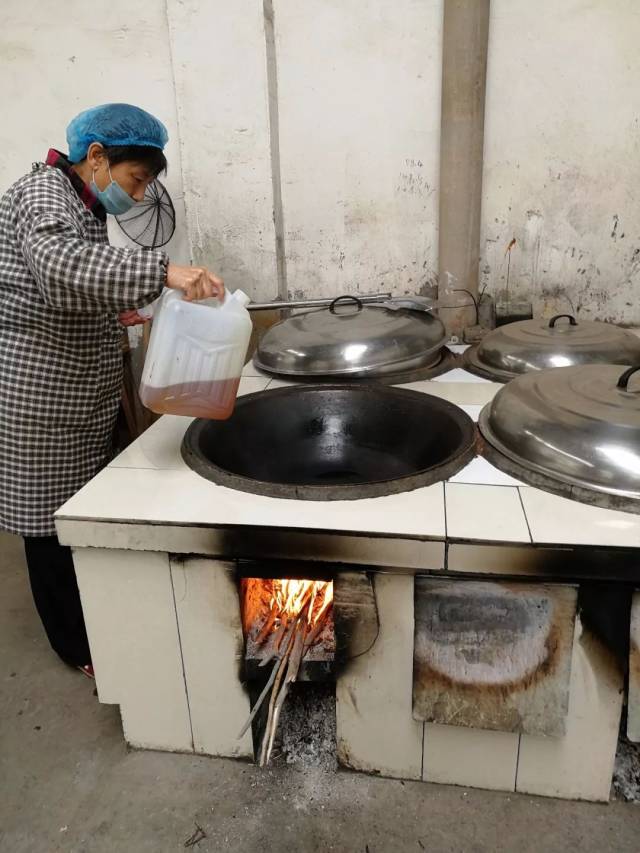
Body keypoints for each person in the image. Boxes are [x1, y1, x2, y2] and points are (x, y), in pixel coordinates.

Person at [0, 103, 224, 676]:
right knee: (48, 525)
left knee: (80, 516)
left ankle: (96, 617)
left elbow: (65, 285)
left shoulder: (80, 202)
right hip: (40, 398)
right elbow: (59, 267)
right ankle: (75, 646)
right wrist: (162, 271)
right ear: (97, 156)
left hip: (76, 392)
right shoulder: (43, 193)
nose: (140, 193)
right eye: (137, 178)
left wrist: (114, 309)